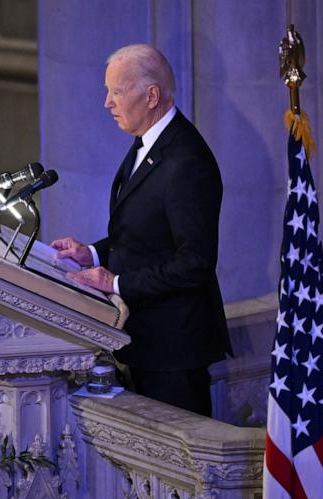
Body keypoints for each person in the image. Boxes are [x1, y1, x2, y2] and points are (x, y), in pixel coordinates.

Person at [50, 44, 231, 417]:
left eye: (116, 92)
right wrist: (93, 253)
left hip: (173, 353)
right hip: (143, 342)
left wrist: (115, 283)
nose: (107, 103)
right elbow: (145, 233)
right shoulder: (148, 144)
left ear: (151, 96)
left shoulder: (186, 161)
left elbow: (195, 262)